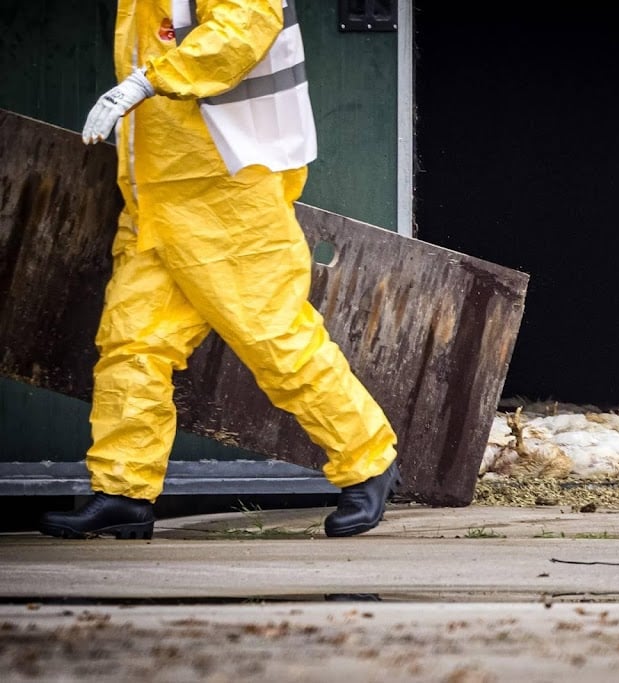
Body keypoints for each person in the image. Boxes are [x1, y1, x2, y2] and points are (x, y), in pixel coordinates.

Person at [38, 0, 399, 540]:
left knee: (273, 337)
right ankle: (123, 492)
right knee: (133, 344)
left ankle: (368, 461)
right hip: (156, 196)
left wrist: (147, 81)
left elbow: (243, 26)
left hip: (226, 191)